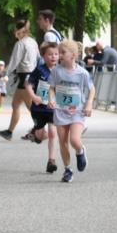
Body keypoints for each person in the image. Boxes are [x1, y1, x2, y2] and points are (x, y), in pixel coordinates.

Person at [48, 40, 95, 183]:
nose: (59, 55)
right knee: (62, 142)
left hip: (77, 111)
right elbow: (51, 87)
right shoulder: (56, 71)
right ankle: (68, 169)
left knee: (74, 140)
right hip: (61, 111)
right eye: (59, 52)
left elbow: (91, 89)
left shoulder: (82, 73)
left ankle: (80, 151)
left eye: (63, 52)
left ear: (73, 55)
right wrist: (51, 99)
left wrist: (89, 104)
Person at [0, 19, 38, 140]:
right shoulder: (33, 42)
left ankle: (43, 129)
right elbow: (38, 57)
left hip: (25, 77)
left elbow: (14, 62)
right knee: (15, 104)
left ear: (19, 30)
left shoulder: (20, 44)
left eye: (16, 29)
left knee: (32, 108)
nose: (14, 31)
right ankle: (9, 132)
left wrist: (3, 73)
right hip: (28, 76)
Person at [28, 41, 59, 173]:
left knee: (53, 132)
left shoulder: (61, 70)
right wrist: (34, 97)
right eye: (50, 54)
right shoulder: (39, 70)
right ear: (43, 56)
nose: (53, 57)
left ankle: (51, 161)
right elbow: (28, 85)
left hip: (52, 108)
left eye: (56, 54)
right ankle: (35, 133)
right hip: (38, 108)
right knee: (40, 136)